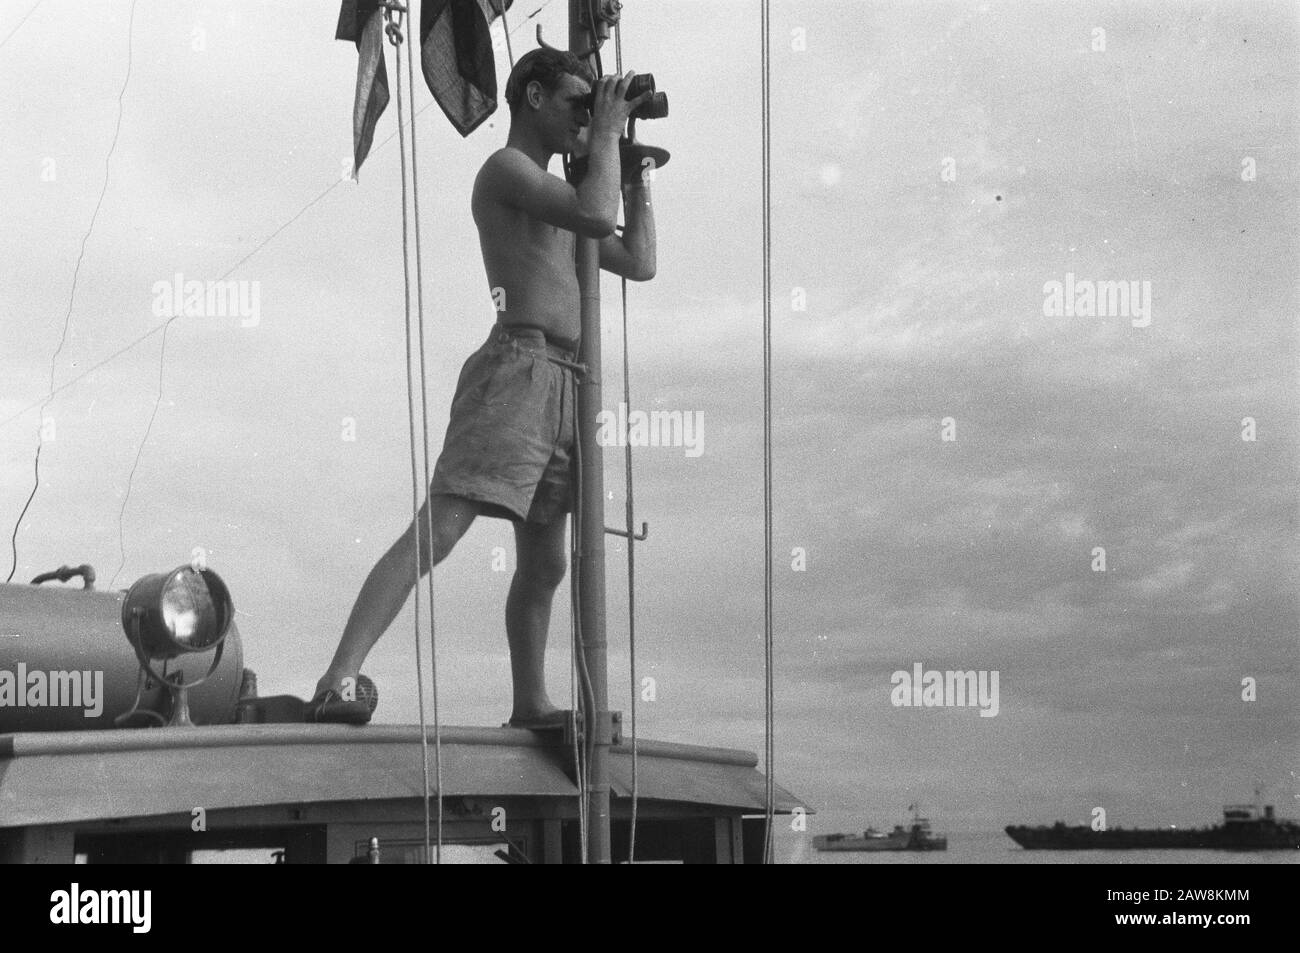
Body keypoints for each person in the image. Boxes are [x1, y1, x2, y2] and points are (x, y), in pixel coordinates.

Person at [308, 47, 657, 725]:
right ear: (530, 97)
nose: (584, 118)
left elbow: (639, 261)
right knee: (439, 531)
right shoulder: (508, 170)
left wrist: (639, 176)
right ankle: (339, 675)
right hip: (517, 369)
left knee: (546, 564)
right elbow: (592, 213)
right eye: (574, 104)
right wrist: (609, 136)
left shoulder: (564, 196)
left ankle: (530, 702)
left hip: (568, 384)